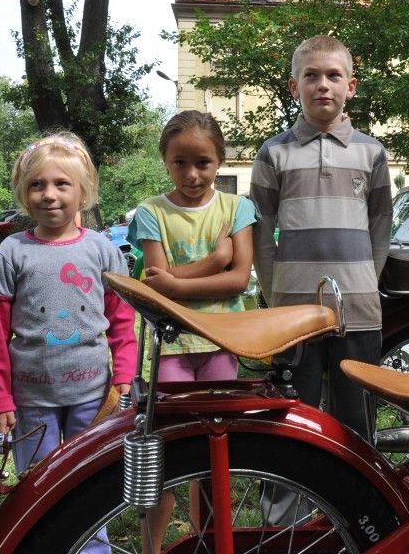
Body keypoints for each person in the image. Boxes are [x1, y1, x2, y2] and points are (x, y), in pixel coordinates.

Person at [0, 132, 137, 554]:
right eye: (37, 185)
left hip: (93, 396)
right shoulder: (10, 254)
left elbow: (122, 322)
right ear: (22, 191)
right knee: (37, 487)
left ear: (83, 191)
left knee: (89, 484)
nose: (49, 195)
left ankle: (92, 548)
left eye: (61, 184)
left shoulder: (103, 251)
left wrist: (124, 377)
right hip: (32, 399)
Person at [127, 109, 256, 553]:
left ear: (219, 160)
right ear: (165, 161)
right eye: (180, 162)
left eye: (203, 162)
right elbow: (156, 286)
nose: (193, 173)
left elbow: (239, 281)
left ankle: (209, 544)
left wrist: (177, 282)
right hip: (172, 347)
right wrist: (212, 263)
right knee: (164, 457)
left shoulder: (237, 208)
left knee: (209, 458)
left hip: (222, 343)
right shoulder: (150, 213)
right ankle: (152, 549)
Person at [251, 34, 392, 439]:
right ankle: (286, 500)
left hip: (359, 312)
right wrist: (277, 293)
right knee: (290, 420)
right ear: (295, 86)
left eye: (333, 76)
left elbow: (381, 226)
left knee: (357, 423)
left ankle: (356, 503)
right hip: (292, 311)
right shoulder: (273, 153)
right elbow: (261, 228)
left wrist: (364, 281)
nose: (323, 85)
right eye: (311, 76)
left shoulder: (372, 153)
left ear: (351, 86)